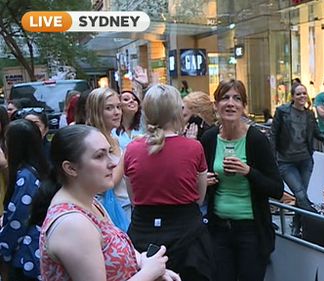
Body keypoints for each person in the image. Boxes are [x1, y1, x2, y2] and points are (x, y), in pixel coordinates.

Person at [30, 125, 180, 281]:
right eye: (99, 156)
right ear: (70, 168)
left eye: (109, 152)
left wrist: (145, 262)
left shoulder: (89, 202)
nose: (112, 163)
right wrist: (149, 272)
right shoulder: (72, 224)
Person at [124, 84, 213, 281]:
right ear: (176, 112)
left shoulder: (131, 149)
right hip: (186, 234)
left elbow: (134, 198)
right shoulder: (193, 148)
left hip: (143, 232)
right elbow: (199, 197)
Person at [200, 79, 284, 281]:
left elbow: (277, 189)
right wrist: (205, 182)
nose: (231, 103)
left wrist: (248, 172)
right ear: (216, 104)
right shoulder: (209, 139)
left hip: (251, 232)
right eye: (225, 98)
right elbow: (198, 185)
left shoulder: (256, 139)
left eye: (237, 99)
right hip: (218, 229)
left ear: (243, 106)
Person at [270, 82, 324, 236]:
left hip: (305, 160)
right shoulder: (282, 112)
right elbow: (273, 135)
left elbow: (318, 134)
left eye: (304, 93)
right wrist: (273, 158)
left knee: (301, 196)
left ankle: (297, 226)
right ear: (292, 96)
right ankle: (318, 224)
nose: (302, 96)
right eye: (298, 94)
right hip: (286, 161)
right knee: (300, 194)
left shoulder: (310, 114)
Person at [0, 119, 49, 280]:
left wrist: (4, 251)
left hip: (28, 258)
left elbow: (18, 221)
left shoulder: (25, 177)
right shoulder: (39, 170)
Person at [86, 88, 130, 230]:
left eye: (118, 106)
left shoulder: (114, 139)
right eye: (109, 108)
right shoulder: (91, 141)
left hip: (125, 206)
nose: (117, 112)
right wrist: (128, 154)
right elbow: (107, 183)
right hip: (108, 210)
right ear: (96, 111)